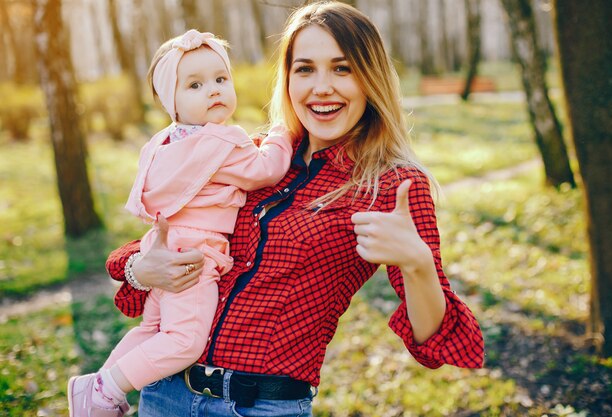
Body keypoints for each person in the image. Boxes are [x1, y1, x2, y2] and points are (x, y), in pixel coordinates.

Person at [104, 2, 484, 416]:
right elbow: (174, 233)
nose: (321, 87)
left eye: (342, 68)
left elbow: (433, 341)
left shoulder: (389, 184)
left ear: (370, 78)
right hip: (165, 394)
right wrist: (139, 269)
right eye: (305, 69)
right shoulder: (253, 155)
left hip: (260, 405)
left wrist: (417, 264)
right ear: (287, 79)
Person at [67, 29, 293, 417]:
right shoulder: (222, 142)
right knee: (185, 341)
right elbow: (267, 169)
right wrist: (280, 133)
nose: (213, 90)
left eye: (221, 79)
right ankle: (105, 388)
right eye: (195, 85)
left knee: (151, 331)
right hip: (194, 257)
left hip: (163, 245)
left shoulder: (163, 144)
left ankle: (99, 392)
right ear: (172, 102)